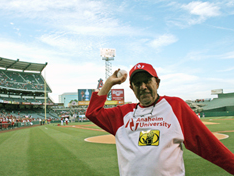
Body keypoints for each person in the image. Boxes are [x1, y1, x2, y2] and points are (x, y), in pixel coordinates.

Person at [85, 63, 234, 176]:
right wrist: (110, 83)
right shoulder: (122, 114)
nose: (143, 87)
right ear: (132, 88)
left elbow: (207, 144)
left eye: (147, 81)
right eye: (137, 83)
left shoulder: (175, 106)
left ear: (157, 82)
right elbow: (93, 113)